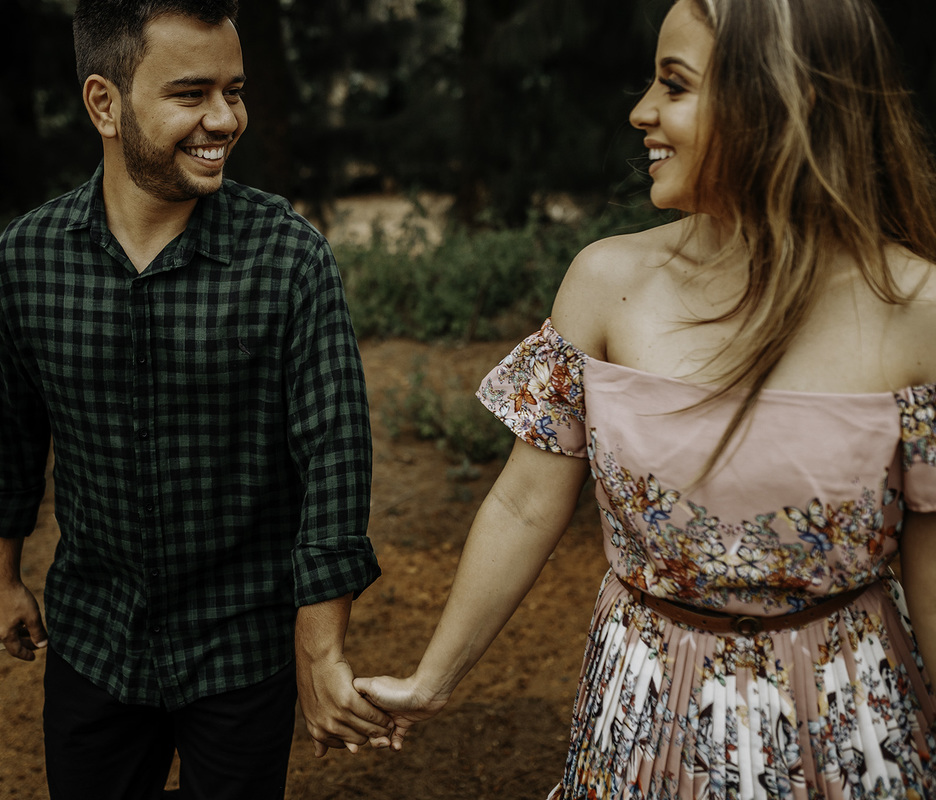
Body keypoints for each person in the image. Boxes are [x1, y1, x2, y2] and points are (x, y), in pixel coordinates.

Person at [354, 0, 936, 796]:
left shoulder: (919, 311)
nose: (641, 112)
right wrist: (433, 680)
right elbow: (527, 505)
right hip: (644, 714)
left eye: (675, 84)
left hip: (850, 722)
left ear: (780, 100)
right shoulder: (607, 283)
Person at [0, 1, 393, 797]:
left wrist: (320, 649)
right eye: (191, 94)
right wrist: (3, 578)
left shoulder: (287, 259)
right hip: (93, 641)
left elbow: (335, 464)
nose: (225, 118)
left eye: (234, 90)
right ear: (105, 104)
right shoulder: (27, 261)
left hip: (240, 648)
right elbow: (9, 436)